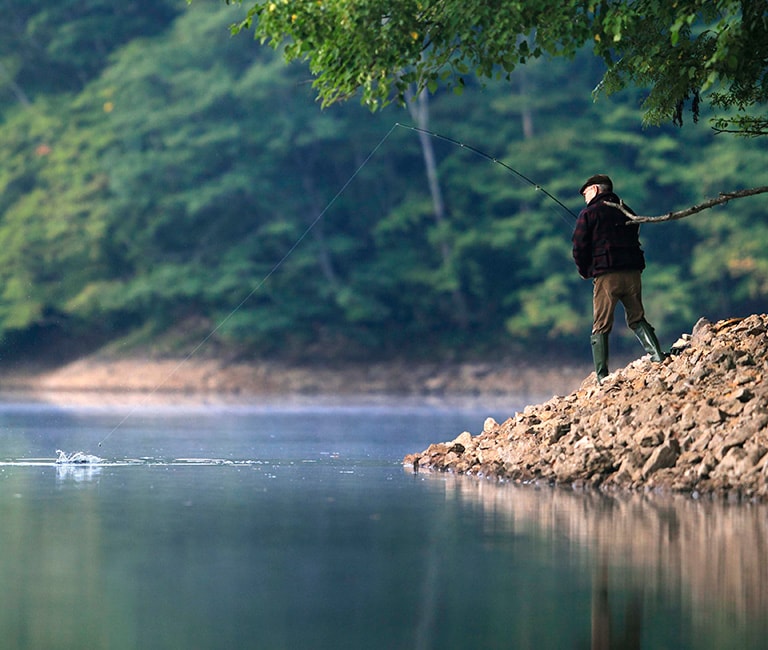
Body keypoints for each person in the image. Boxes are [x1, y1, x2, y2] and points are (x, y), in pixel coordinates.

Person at [572, 174, 665, 383]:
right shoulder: (626, 210)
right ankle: (658, 357)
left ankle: (602, 376)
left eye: (585, 193)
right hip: (633, 272)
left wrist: (584, 270)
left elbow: (578, 246)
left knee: (601, 325)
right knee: (637, 317)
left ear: (595, 190)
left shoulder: (588, 214)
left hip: (607, 276)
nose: (584, 198)